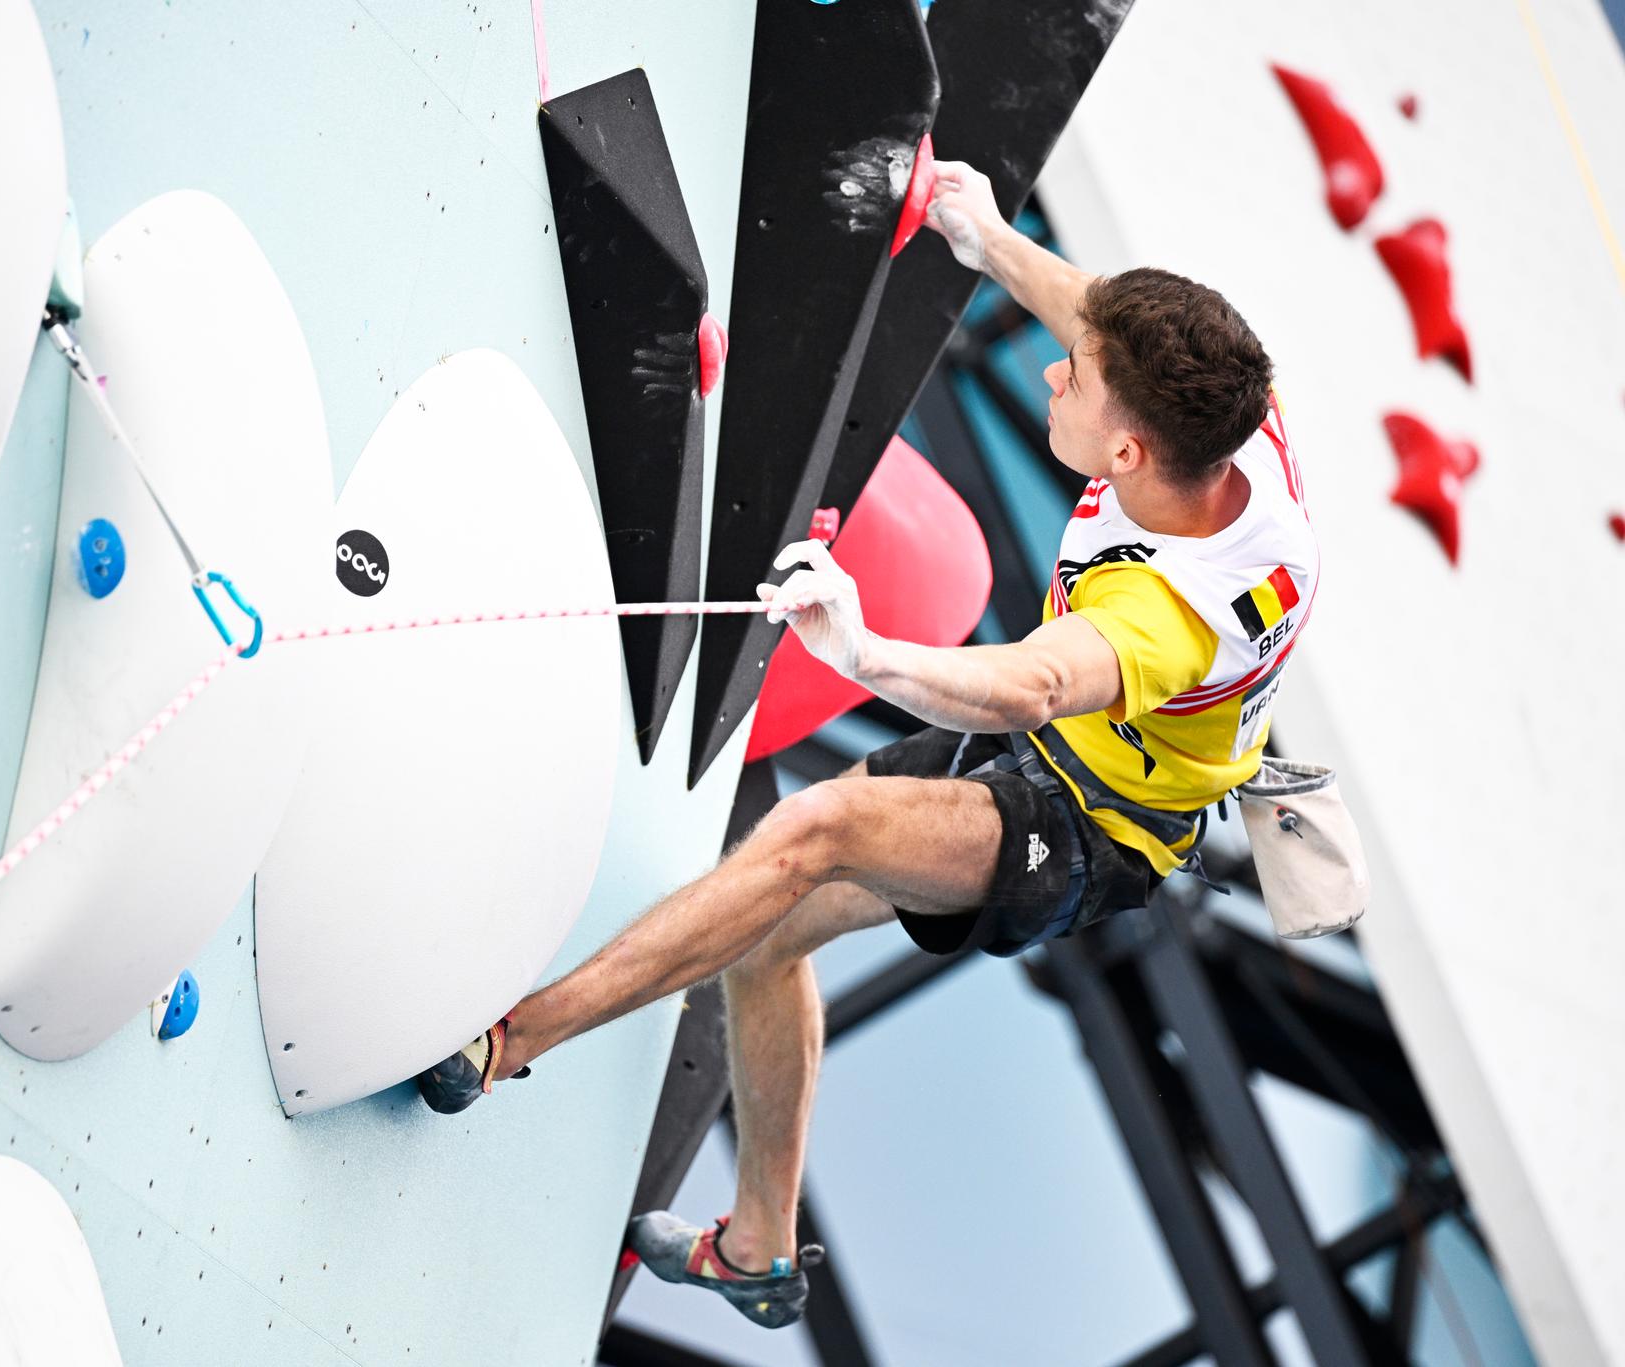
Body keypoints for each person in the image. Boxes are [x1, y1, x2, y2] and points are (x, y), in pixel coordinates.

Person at [414, 159, 1318, 1329]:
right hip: (1085, 748)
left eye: (1076, 380)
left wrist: (864, 650)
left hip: (1093, 826)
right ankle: (758, 1250)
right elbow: (1092, 313)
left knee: (815, 829)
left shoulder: (1173, 613)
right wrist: (984, 233)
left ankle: (504, 1040)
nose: (1055, 369)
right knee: (764, 936)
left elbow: (1030, 686)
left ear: (1130, 454)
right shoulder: (1235, 421)